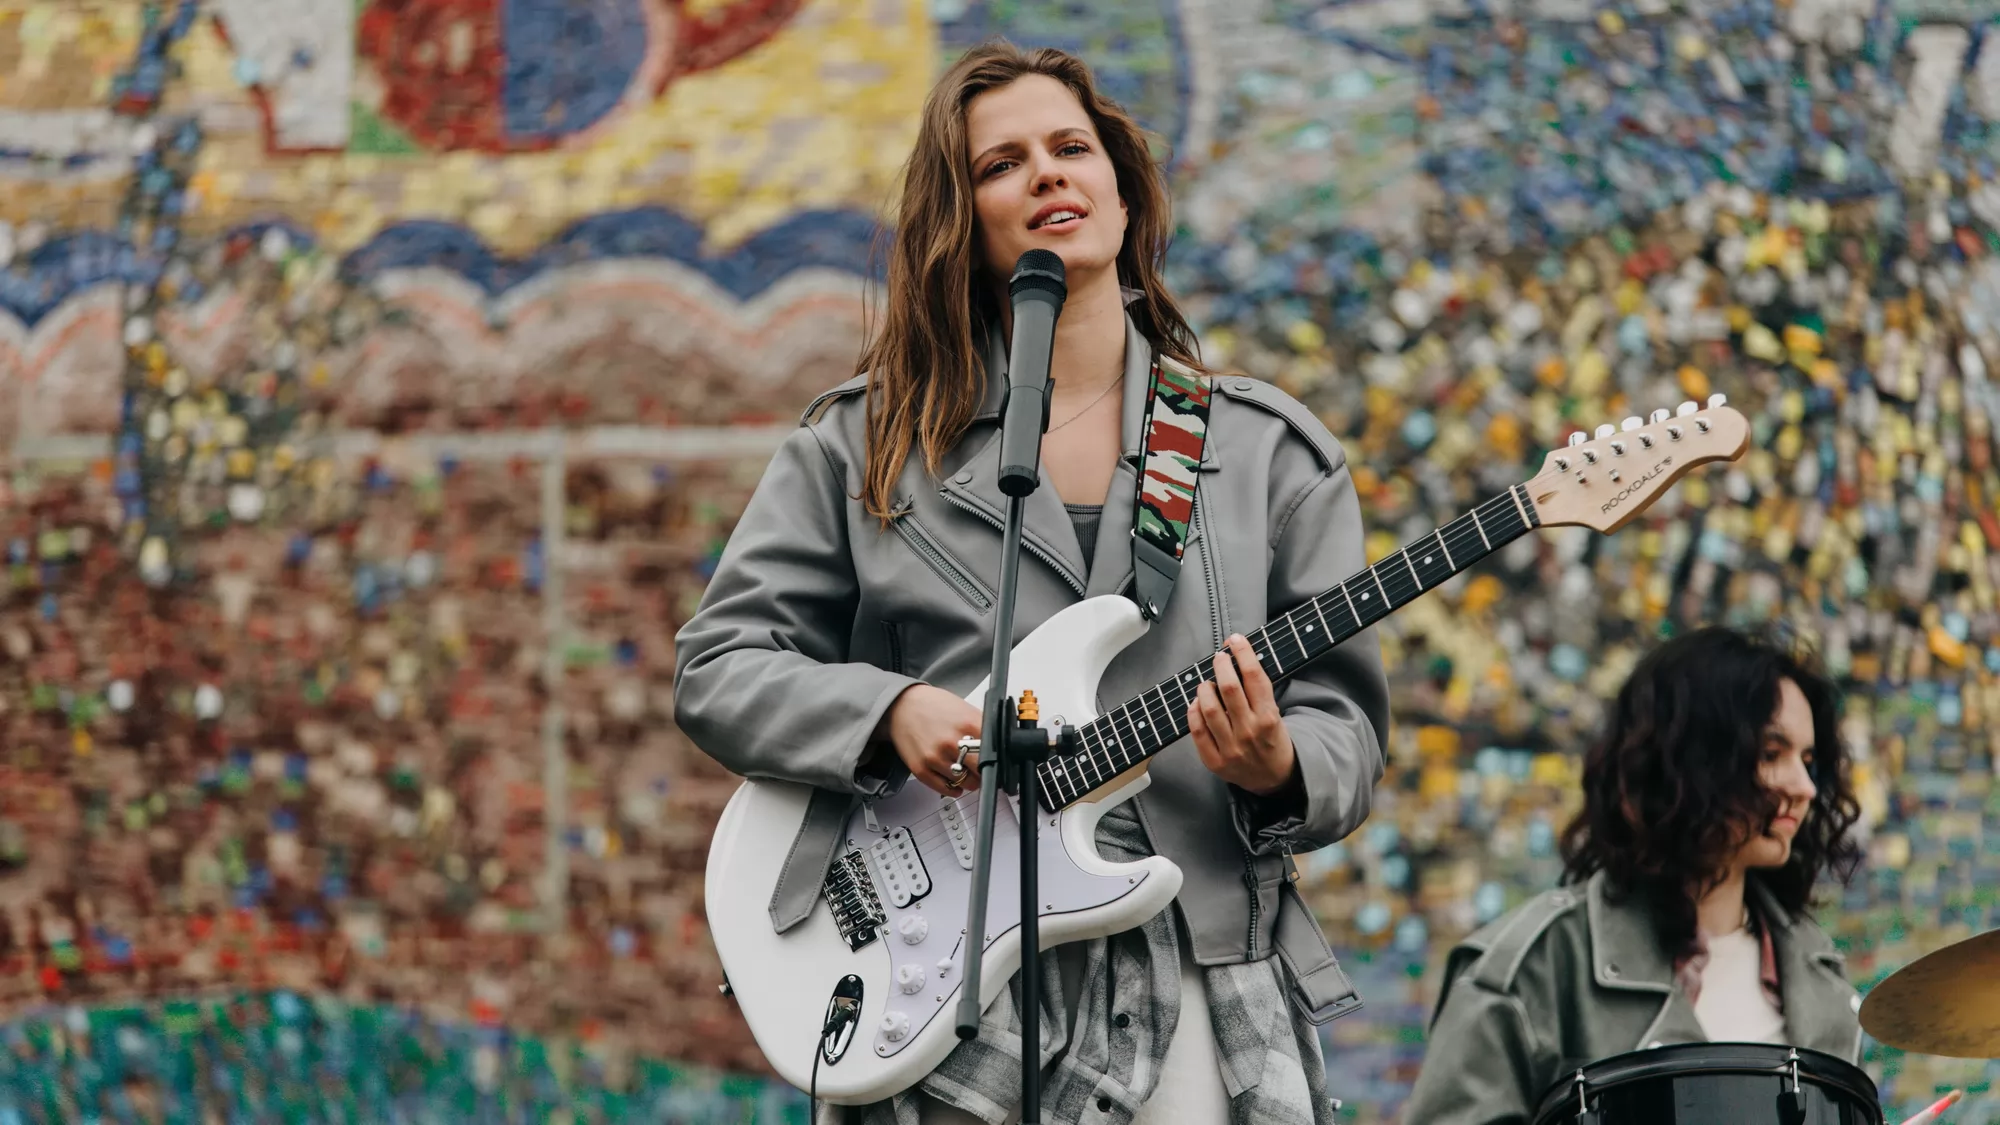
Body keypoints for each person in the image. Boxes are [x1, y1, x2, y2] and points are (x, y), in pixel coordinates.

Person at [672, 39, 1389, 1125]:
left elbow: (1347, 724)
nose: (1048, 173)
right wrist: (885, 711)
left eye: (1071, 148)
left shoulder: (1267, 453)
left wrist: (1279, 763)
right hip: (938, 983)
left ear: (1121, 191)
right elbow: (719, 667)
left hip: (1195, 963)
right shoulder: (862, 446)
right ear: (960, 222)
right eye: (1002, 165)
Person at [1401, 626, 1866, 1125]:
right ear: (1687, 758)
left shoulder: (1824, 982)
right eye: (1772, 754)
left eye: (1808, 761)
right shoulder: (1530, 970)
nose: (1804, 787)